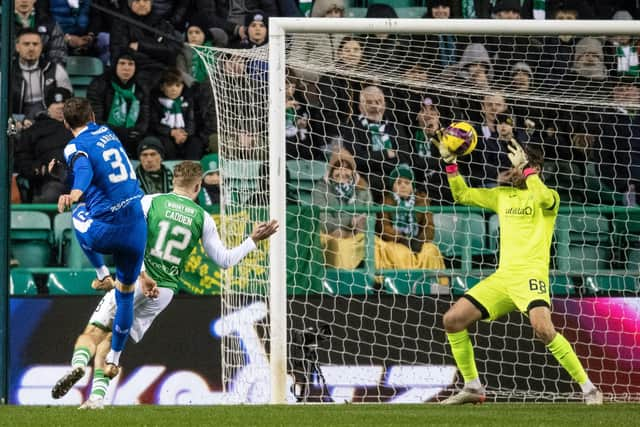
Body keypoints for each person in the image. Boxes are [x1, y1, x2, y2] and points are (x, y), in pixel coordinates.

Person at [52, 161, 279, 408]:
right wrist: (253, 240)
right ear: (198, 186)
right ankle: (96, 399)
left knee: (94, 331)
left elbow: (127, 238)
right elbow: (225, 261)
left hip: (139, 277)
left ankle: (77, 366)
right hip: (165, 291)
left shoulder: (150, 202)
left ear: (173, 181)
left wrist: (140, 273)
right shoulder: (203, 218)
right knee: (112, 340)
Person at [434, 137, 603, 405]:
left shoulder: (548, 197)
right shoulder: (502, 196)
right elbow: (462, 195)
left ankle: (590, 389)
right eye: (512, 165)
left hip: (531, 277)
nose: (511, 170)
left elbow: (545, 198)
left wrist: (527, 169)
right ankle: (472, 386)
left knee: (544, 330)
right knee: (452, 320)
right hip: (503, 278)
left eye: (517, 165)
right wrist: (450, 163)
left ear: (534, 167)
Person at [53, 97, 148, 392]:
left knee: (77, 216)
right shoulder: (107, 132)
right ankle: (114, 358)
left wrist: (74, 193)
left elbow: (83, 168)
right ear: (93, 116)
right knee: (125, 296)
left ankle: (100, 274)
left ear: (66, 124)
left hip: (106, 231)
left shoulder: (73, 146)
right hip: (136, 230)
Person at [375, 164, 445, 271]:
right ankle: (403, 285)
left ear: (413, 186)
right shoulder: (385, 202)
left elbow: (429, 226)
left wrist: (419, 240)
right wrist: (401, 238)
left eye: (407, 183)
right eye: (398, 182)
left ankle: (438, 287)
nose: (403, 186)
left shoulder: (423, 201)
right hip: (395, 241)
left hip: (418, 241)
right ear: (392, 187)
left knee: (431, 250)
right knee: (401, 253)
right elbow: (384, 227)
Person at [311, 149, 372, 269]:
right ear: (331, 171)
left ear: (352, 171)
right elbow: (324, 221)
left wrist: (358, 227)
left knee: (376, 244)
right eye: (338, 168)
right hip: (330, 236)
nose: (342, 172)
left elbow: (369, 217)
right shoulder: (321, 189)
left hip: (357, 237)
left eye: (346, 168)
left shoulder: (363, 189)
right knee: (341, 247)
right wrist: (351, 223)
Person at [14, 87, 73, 203]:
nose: (60, 106)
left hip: (84, 180)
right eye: (55, 103)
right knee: (51, 195)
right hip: (52, 182)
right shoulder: (34, 129)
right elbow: (22, 159)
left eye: (64, 103)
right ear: (48, 107)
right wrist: (39, 169)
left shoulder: (81, 126)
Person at [87, 51, 150, 157]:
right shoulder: (100, 84)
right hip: (104, 136)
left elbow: (145, 120)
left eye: (131, 64)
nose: (126, 68)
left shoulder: (141, 87)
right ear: (114, 65)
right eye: (122, 63)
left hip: (133, 136)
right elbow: (95, 120)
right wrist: (121, 132)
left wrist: (135, 132)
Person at [11, 28, 73, 121]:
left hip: (48, 122)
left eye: (35, 44)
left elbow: (69, 101)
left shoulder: (55, 69)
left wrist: (58, 109)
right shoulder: (8, 72)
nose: (31, 48)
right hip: (17, 122)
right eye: (26, 44)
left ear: (41, 47)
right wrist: (18, 121)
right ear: (17, 47)